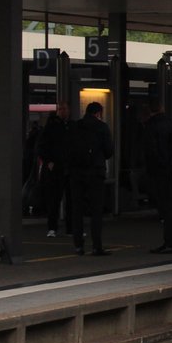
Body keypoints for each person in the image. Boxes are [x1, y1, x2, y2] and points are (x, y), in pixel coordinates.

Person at [68, 102, 114, 256]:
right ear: (99, 113)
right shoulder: (102, 127)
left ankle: (78, 246)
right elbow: (109, 151)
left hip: (77, 174)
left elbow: (67, 148)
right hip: (95, 173)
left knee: (77, 210)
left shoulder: (75, 127)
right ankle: (96, 245)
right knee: (96, 210)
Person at [143, 102, 172, 254]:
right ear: (162, 109)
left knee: (165, 208)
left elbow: (150, 151)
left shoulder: (151, 127)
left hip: (159, 172)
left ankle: (169, 242)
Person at [37, 104, 71, 237]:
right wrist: (49, 161)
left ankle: (63, 228)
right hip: (58, 167)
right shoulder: (54, 127)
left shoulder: (53, 127)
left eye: (65, 109)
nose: (64, 111)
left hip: (61, 167)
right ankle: (55, 227)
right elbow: (42, 146)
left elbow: (41, 146)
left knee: (63, 200)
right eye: (61, 109)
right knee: (55, 200)